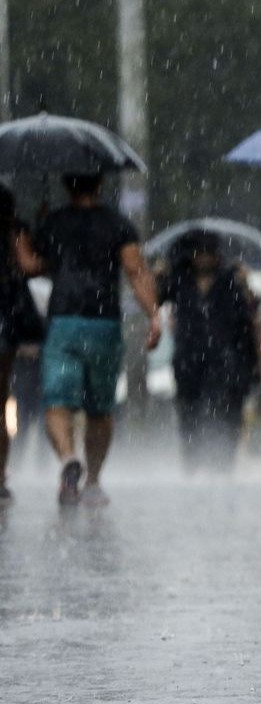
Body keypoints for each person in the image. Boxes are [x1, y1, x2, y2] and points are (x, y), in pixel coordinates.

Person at [16, 172, 161, 506]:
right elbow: (136, 271)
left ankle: (68, 458)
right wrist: (154, 315)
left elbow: (32, 266)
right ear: (100, 185)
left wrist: (29, 231)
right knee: (100, 408)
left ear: (67, 186)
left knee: (56, 402)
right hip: (103, 323)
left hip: (63, 321)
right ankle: (94, 481)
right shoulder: (118, 225)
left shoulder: (54, 223)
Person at [156, 229, 261, 471]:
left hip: (229, 362)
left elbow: (254, 317)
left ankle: (223, 465)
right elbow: (155, 298)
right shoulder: (179, 280)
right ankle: (192, 464)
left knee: (227, 415)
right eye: (199, 253)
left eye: (209, 252)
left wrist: (260, 360)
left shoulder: (232, 280)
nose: (204, 258)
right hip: (189, 361)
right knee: (190, 416)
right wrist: (160, 273)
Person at [0, 183, 40, 504]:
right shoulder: (15, 232)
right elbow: (28, 267)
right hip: (6, 318)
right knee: (1, 404)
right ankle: (0, 476)